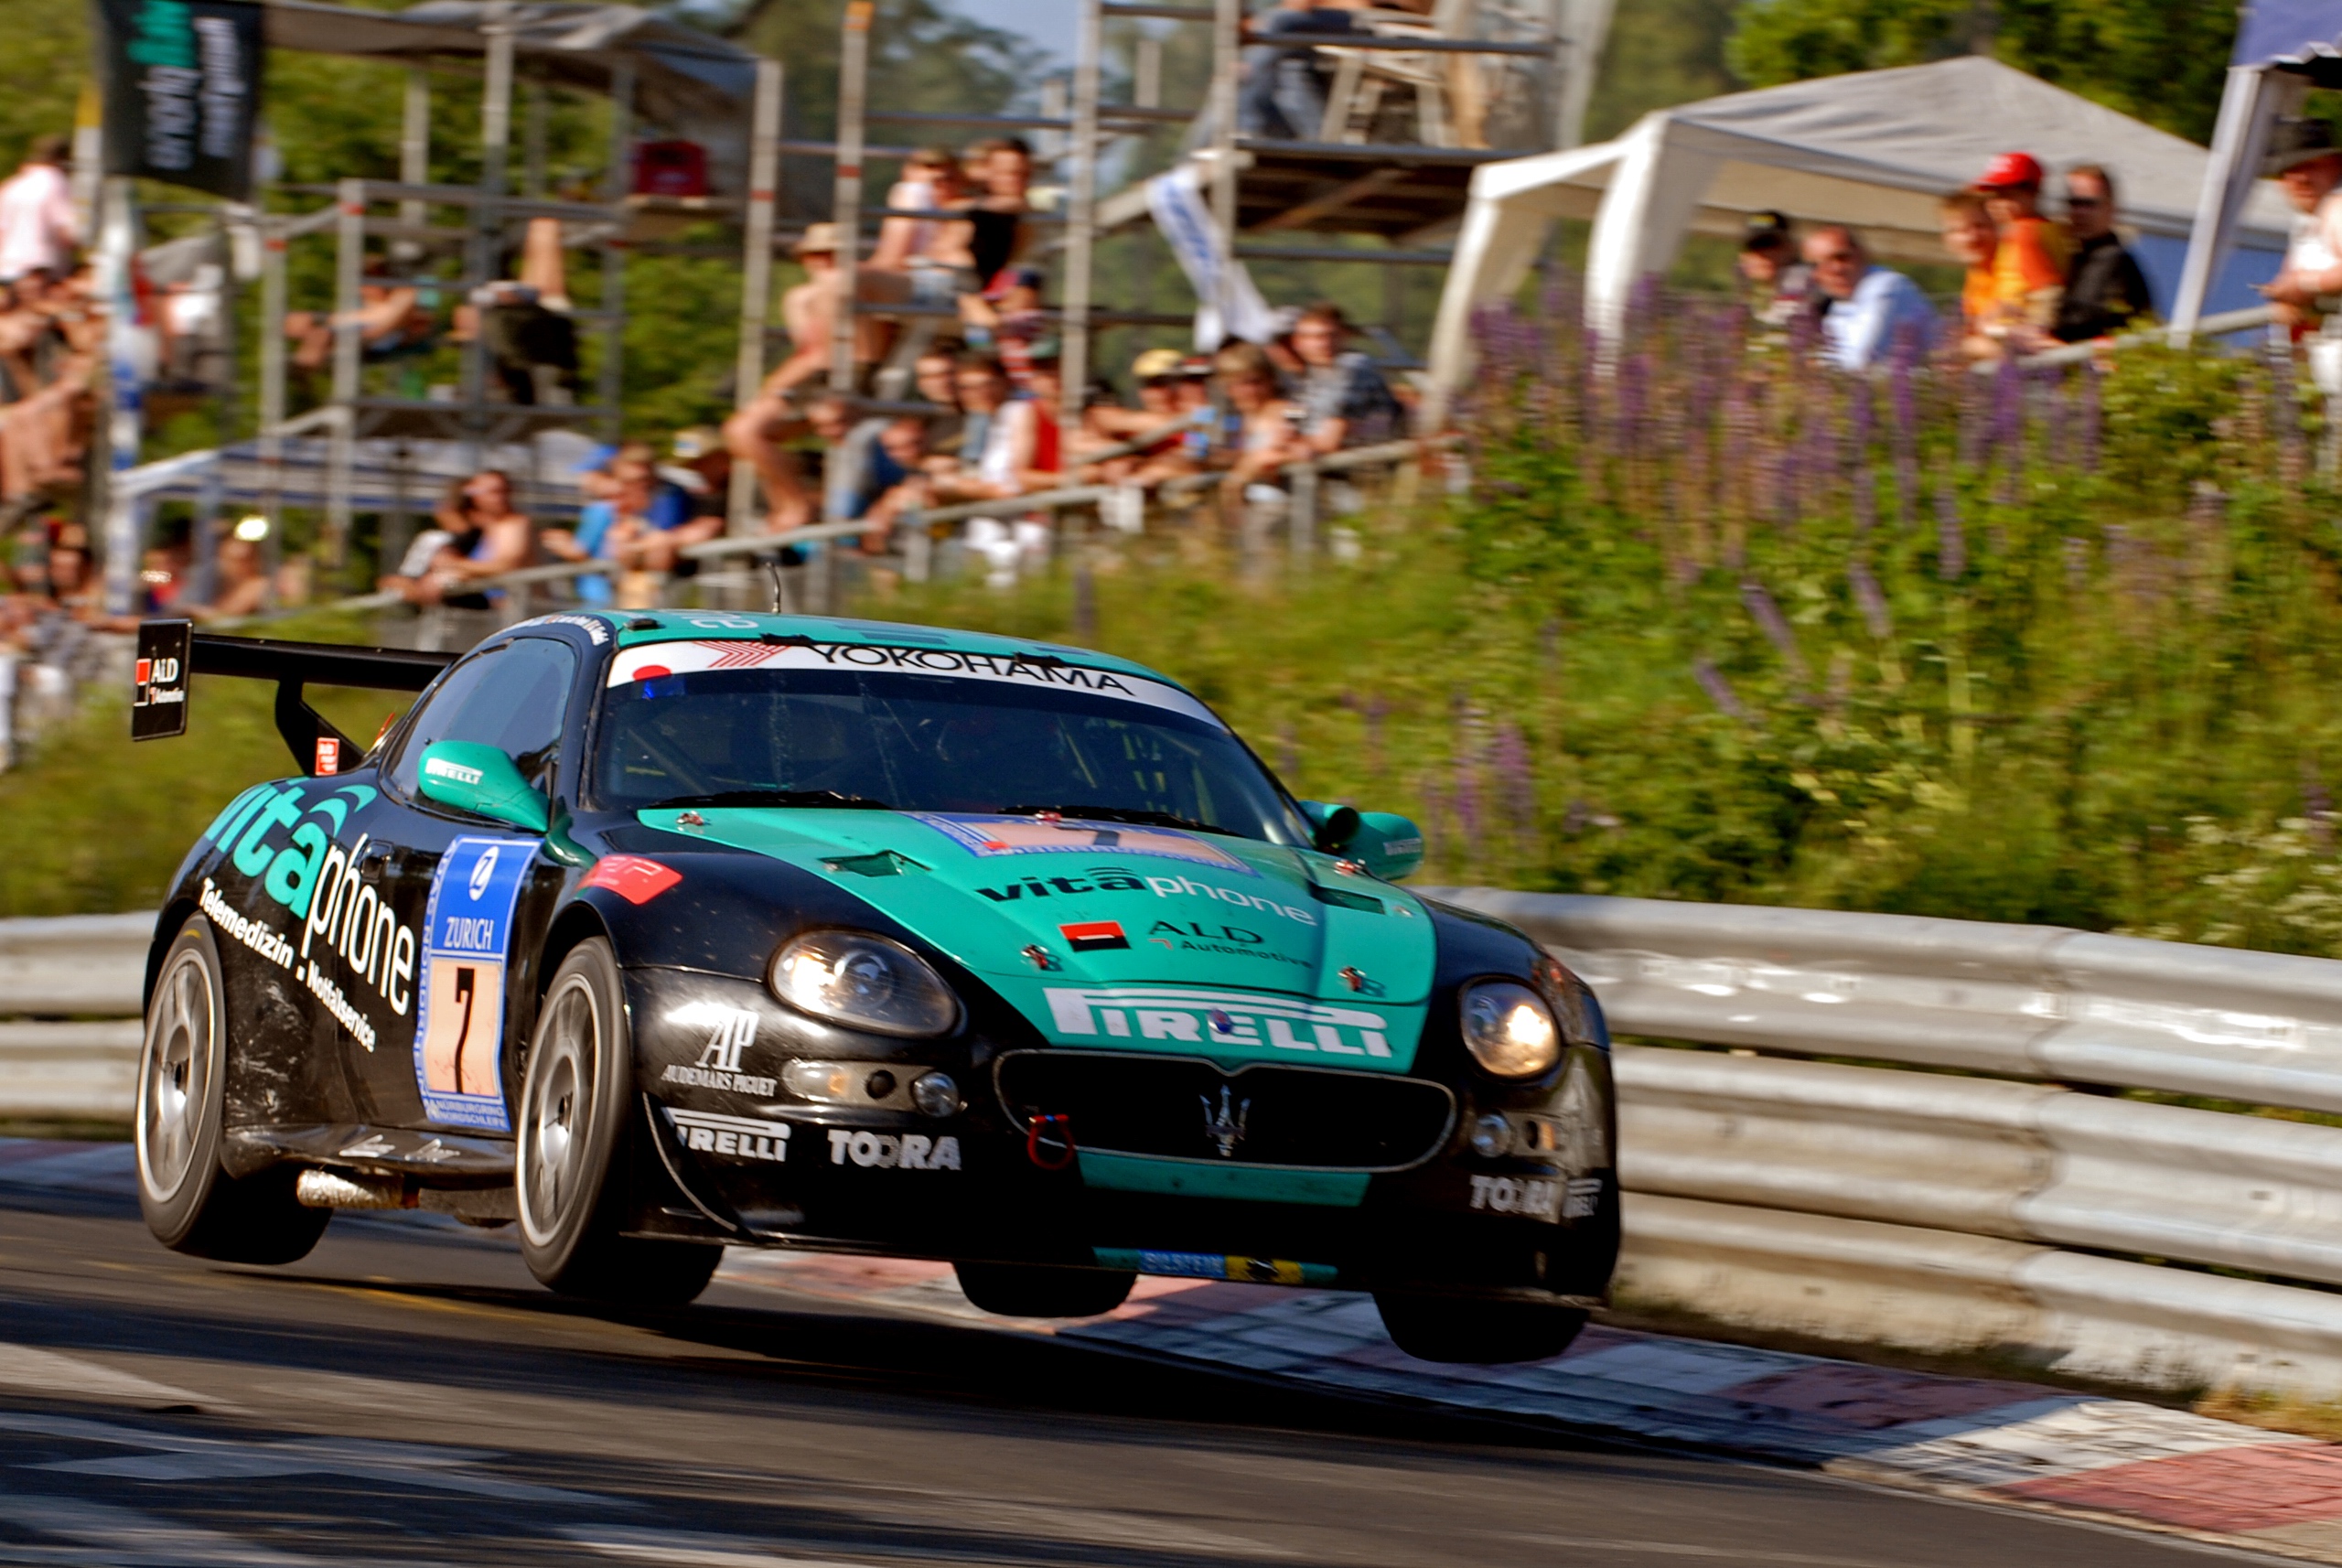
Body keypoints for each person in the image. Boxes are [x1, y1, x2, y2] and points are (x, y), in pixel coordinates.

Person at [1972, 152, 2069, 353]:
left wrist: (2037, 331)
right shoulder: (2048, 228)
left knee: (1967, 351)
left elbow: (2048, 290)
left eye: (2005, 195)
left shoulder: (2024, 232)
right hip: (2020, 331)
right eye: (1992, 196)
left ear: (2031, 193)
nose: (1994, 204)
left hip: (2019, 338)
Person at [1803, 226, 1937, 372]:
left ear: (1863, 254)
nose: (1836, 269)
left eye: (1842, 258)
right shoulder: (1838, 302)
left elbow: (1861, 359)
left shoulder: (1886, 285)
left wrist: (1812, 364)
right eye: (1821, 264)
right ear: (1814, 274)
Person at [1214, 339, 1312, 535]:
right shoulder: (1231, 421)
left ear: (1271, 380)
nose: (1249, 390)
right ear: (1227, 387)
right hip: (1244, 513)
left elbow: (1302, 451)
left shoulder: (1285, 411)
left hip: (1281, 510)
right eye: (1239, 383)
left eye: (1256, 381)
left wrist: (1241, 475)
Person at [2054, 165, 2154, 344]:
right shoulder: (2073, 256)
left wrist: (2045, 325)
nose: (2080, 212)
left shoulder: (2113, 259)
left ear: (2112, 209)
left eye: (2089, 204)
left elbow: (2082, 318)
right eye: (2074, 203)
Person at [2261, 119, 2342, 333]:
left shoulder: (2338, 207)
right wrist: (2285, 296)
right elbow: (2290, 279)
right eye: (2290, 169)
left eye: (2312, 165)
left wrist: (2306, 284)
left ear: (2336, 165)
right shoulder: (2307, 220)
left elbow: (2301, 282)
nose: (2301, 178)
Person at [1289, 301, 1402, 452]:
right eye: (1312, 337)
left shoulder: (1354, 368)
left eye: (1330, 336)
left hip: (1365, 465)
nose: (1323, 344)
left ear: (1344, 336)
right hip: (1321, 466)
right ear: (1298, 343)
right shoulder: (1308, 378)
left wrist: (1289, 448)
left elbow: (1330, 441)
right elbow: (1290, 426)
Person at [0, 136, 79, 287]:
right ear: (62, 158)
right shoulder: (55, 182)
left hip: (7, 266)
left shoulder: (12, 186)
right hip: (39, 266)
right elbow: (64, 229)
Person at [1939, 190, 2000, 360]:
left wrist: (1965, 346)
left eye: (1980, 226)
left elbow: (2003, 349)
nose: (1972, 237)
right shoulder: (1975, 276)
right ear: (1947, 239)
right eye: (1961, 230)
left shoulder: (2012, 268)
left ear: (1997, 227)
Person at [1738, 210, 1814, 330]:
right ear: (1744, 258)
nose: (1764, 254)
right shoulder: (1756, 296)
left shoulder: (1808, 285)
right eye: (1756, 246)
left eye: (1771, 244)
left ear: (1791, 249)